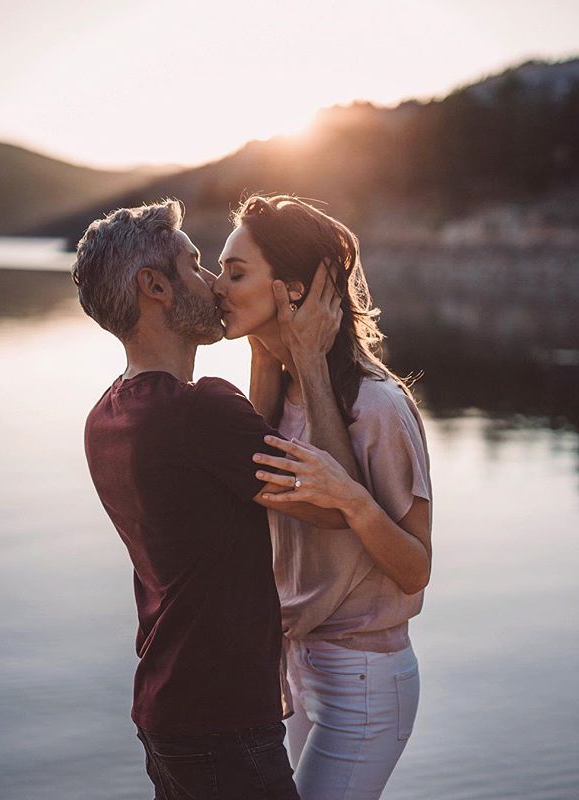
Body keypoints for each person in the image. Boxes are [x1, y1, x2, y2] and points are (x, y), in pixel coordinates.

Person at [71, 199, 349, 800]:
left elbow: (230, 468)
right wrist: (307, 359)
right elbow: (334, 506)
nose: (213, 283)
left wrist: (258, 352)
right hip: (223, 720)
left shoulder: (106, 416)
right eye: (195, 266)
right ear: (155, 287)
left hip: (165, 711)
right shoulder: (198, 411)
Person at [214, 195, 432, 800]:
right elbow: (252, 490)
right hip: (300, 662)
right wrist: (269, 353)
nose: (218, 287)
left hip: (364, 674)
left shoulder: (380, 407)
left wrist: (358, 503)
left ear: (293, 292)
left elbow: (416, 569)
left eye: (236, 273)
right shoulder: (276, 394)